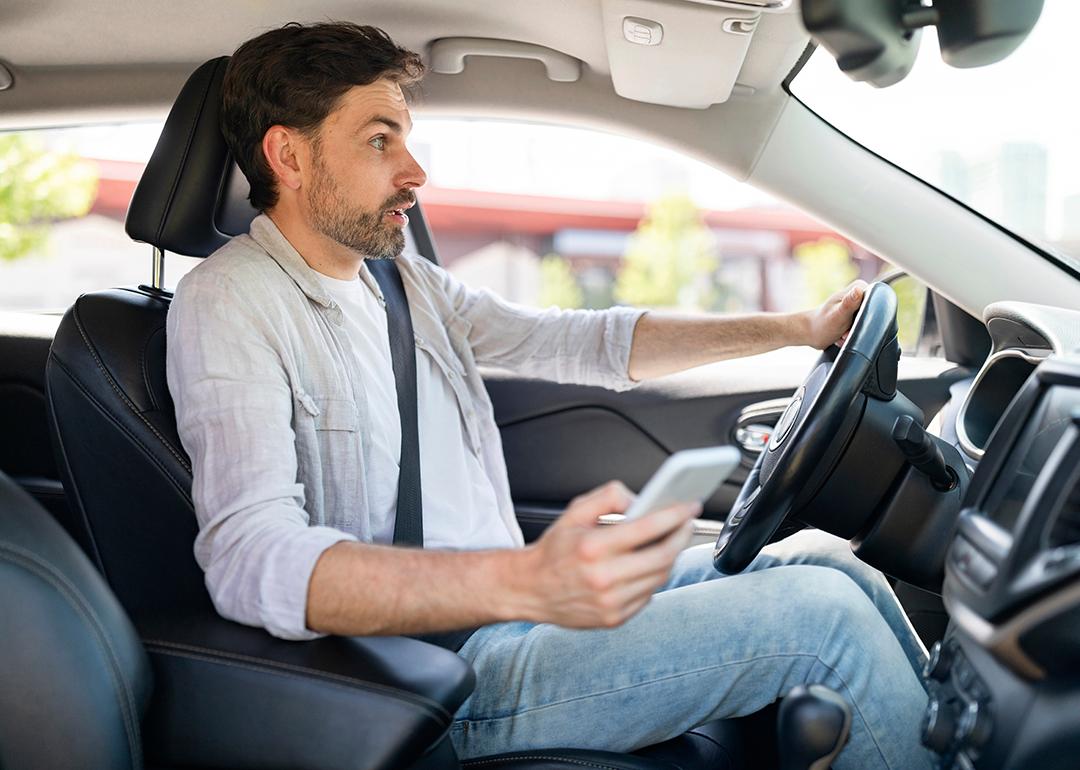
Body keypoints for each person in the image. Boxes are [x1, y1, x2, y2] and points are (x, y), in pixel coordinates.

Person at [166, 21, 933, 770]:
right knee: (819, 620)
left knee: (829, 561)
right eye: (378, 140)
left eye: (405, 138)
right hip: (439, 678)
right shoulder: (230, 303)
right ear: (288, 156)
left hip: (510, 617)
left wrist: (796, 327)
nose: (415, 171)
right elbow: (248, 560)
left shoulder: (402, 284)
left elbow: (583, 340)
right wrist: (524, 580)